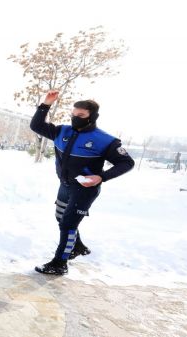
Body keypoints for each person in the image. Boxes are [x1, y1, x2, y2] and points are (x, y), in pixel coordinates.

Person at [30, 90, 135, 275]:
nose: (75, 118)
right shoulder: (61, 131)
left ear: (92, 117)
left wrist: (102, 177)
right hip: (65, 185)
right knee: (61, 217)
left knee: (68, 224)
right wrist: (46, 104)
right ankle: (77, 247)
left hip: (85, 190)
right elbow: (36, 125)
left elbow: (127, 163)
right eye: (73, 114)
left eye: (81, 115)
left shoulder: (105, 140)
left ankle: (59, 263)